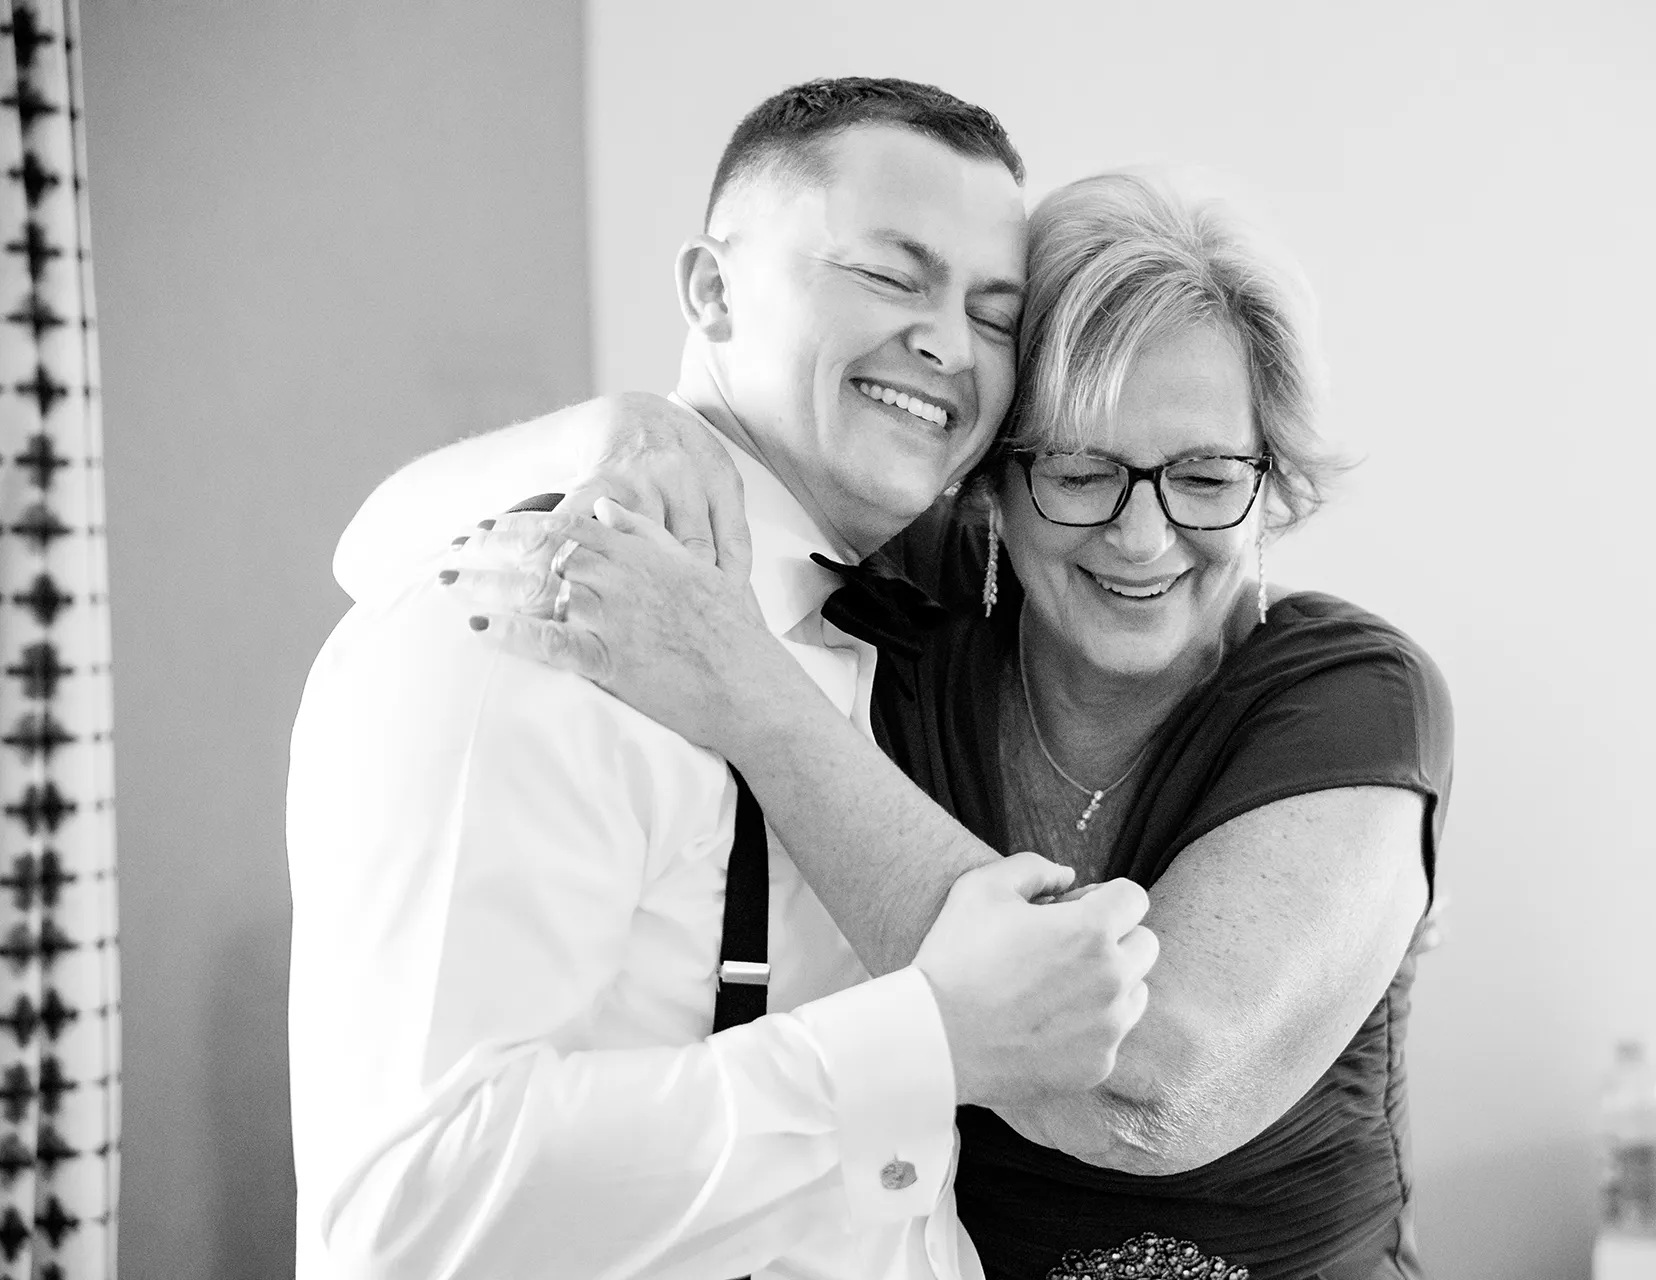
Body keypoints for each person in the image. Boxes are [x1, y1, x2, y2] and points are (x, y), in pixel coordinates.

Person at [351, 171, 1454, 1279]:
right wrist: (612, 429)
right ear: (992, 488)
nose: (1141, 534)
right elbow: (370, 548)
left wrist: (746, 691)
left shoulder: (1354, 693)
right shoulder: (918, 617)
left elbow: (1145, 1089)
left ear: (1273, 482)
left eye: (1206, 476)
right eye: (1081, 471)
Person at [286, 78, 1163, 1280]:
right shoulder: (529, 618)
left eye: (995, 314)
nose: (950, 345)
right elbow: (413, 1211)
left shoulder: (911, 616)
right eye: (891, 276)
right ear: (711, 289)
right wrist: (928, 1040)